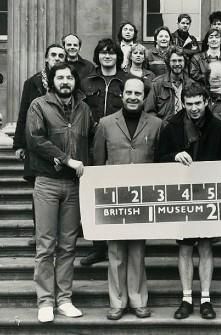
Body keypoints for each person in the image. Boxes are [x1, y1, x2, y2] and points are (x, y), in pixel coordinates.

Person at [158, 83, 221, 320]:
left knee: (205, 246)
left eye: (198, 103)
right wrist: (174, 156)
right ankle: (185, 298)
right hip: (181, 196)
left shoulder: (220, 129)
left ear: (206, 102)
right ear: (183, 103)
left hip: (208, 196)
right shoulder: (171, 126)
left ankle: (205, 299)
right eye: (189, 104)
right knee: (184, 247)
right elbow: (157, 159)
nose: (193, 108)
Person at [26, 63, 94, 323]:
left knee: (68, 246)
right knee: (46, 245)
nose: (65, 81)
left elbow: (89, 140)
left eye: (69, 77)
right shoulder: (39, 105)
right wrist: (66, 159)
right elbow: (35, 139)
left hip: (74, 186)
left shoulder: (84, 108)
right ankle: (45, 301)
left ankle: (64, 299)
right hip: (47, 183)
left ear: (75, 81)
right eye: (60, 77)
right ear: (52, 81)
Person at [93, 78, 162, 321]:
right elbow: (97, 163)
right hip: (113, 198)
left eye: (138, 93)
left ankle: (138, 299)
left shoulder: (156, 124)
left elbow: (161, 162)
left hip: (143, 198)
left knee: (137, 251)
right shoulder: (105, 124)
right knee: (116, 252)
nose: (133, 97)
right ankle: (117, 302)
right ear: (121, 95)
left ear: (144, 97)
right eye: (129, 92)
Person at [80, 38, 130, 266]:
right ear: (97, 56)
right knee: (95, 196)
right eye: (103, 52)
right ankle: (99, 247)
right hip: (93, 145)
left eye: (111, 53)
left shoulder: (127, 81)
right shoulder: (86, 82)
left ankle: (123, 244)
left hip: (121, 144)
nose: (107, 56)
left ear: (118, 56)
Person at [12, 43, 66, 246]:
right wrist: (19, 144)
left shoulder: (69, 81)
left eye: (61, 55)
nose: (57, 58)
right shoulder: (32, 83)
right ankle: (40, 232)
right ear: (46, 58)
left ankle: (62, 233)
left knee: (64, 189)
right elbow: (23, 114)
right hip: (37, 144)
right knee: (40, 190)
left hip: (62, 143)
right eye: (53, 55)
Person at [144, 47, 195, 121]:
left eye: (180, 60)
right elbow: (149, 111)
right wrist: (161, 125)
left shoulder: (191, 84)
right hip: (164, 128)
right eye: (174, 61)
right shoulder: (157, 84)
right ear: (168, 62)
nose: (177, 64)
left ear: (185, 62)